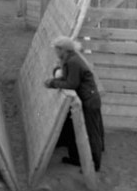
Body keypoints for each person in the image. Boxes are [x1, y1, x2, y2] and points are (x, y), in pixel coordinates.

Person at [44, 36, 104, 172]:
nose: (55, 52)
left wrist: (52, 83)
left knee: (91, 132)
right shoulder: (71, 58)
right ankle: (81, 159)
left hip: (89, 100)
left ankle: (94, 165)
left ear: (62, 50)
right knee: (88, 131)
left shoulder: (72, 62)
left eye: (56, 50)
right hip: (88, 98)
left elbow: (72, 83)